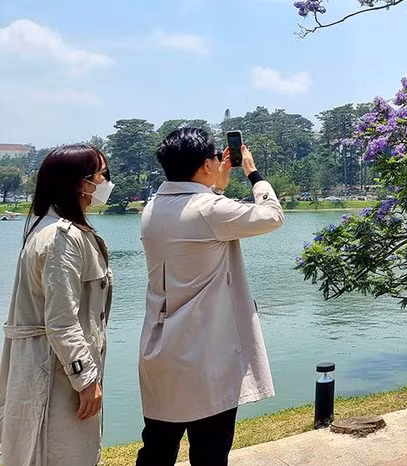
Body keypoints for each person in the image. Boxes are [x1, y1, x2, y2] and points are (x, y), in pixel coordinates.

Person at [135, 128, 284, 466]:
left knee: (157, 450)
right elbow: (273, 216)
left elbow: (198, 210)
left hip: (161, 354)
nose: (221, 162)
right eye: (217, 159)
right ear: (204, 164)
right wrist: (252, 172)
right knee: (210, 455)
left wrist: (215, 181)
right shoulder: (210, 210)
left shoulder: (152, 209)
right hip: (206, 359)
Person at [0, 145, 114, 465]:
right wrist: (86, 378)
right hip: (54, 373)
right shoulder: (61, 236)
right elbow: (62, 319)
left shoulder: (46, 227)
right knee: (58, 452)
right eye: (103, 175)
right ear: (82, 183)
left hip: (49, 366)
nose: (106, 182)